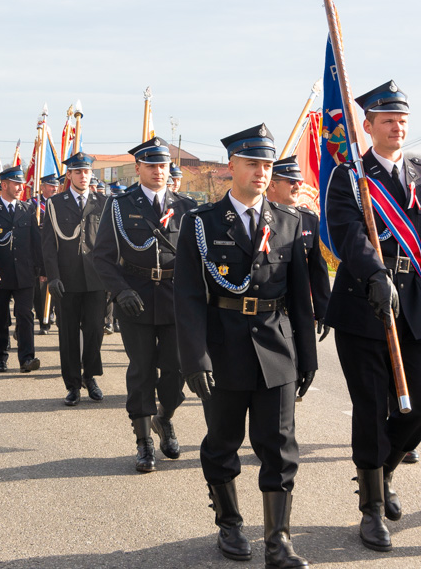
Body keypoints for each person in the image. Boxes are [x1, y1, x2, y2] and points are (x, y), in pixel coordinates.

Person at [175, 124, 316, 568]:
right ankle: (230, 523)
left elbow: (299, 299)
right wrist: (195, 357)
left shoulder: (289, 222)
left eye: (267, 164)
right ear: (231, 166)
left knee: (279, 444)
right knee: (222, 441)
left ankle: (278, 540)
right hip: (223, 347)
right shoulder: (201, 224)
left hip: (276, 349)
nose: (261, 171)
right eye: (252, 163)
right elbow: (189, 297)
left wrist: (307, 357)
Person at [322, 81, 421, 551]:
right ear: (369, 126)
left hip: (412, 305)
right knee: (372, 408)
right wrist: (374, 273)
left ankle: (382, 472)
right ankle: (371, 509)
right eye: (387, 121)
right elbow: (348, 231)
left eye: (402, 121)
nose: (396, 128)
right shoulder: (348, 175)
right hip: (363, 304)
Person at [94, 137, 196, 471]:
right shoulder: (120, 206)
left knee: (176, 369)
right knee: (141, 370)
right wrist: (120, 291)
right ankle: (144, 441)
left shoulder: (185, 207)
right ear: (137, 168)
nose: (158, 171)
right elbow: (103, 257)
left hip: (174, 299)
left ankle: (164, 417)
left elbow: (197, 259)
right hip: (134, 296)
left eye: (163, 165)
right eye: (151, 165)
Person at [42, 154, 107, 406]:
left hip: (95, 280)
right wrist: (53, 277)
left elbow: (108, 244)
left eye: (87, 171)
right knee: (68, 334)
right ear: (69, 174)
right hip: (67, 280)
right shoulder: (55, 204)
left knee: (94, 331)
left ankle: (90, 376)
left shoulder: (103, 203)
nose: (83, 175)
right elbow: (48, 245)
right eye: (78, 171)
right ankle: (72, 385)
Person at [0, 166, 42, 373]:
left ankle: (26, 358)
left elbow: (36, 242)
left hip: (24, 273)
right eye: (16, 183)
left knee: (25, 315)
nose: (21, 187)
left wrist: (42, 269)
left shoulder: (27, 209)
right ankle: (1, 356)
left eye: (21, 183)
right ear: (4, 185)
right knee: (0, 318)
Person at [266, 155, 331, 341]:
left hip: (300, 308)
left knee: (303, 365)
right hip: (266, 308)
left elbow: (318, 269)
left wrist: (323, 310)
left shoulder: (309, 219)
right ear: (272, 185)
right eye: (292, 181)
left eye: (299, 181)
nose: (298, 186)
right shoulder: (255, 218)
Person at [32, 173, 59, 335]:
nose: (54, 188)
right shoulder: (34, 205)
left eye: (56, 185)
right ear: (42, 187)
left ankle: (53, 314)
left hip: (58, 250)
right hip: (40, 251)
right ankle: (44, 319)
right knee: (41, 289)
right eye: (50, 185)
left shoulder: (60, 204)